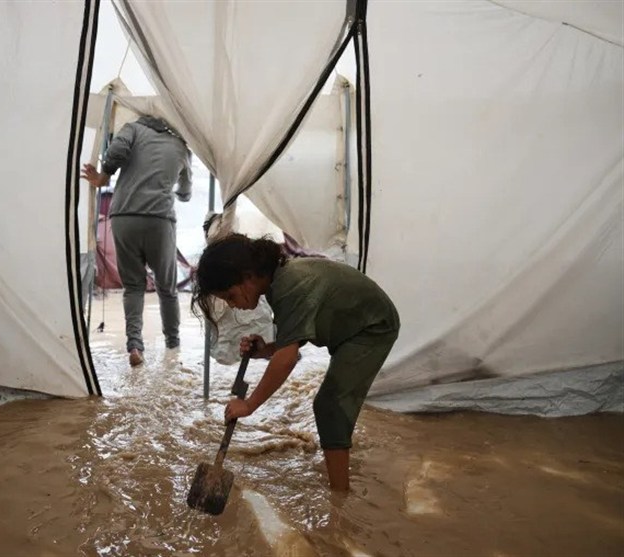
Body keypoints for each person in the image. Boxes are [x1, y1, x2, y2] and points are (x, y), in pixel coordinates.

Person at [191, 233, 400, 491]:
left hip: (372, 328)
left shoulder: (289, 286)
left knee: (330, 405)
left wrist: (249, 404)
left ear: (248, 276)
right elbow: (292, 341)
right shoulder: (279, 282)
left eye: (231, 296)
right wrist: (264, 350)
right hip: (353, 327)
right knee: (332, 405)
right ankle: (338, 469)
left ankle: (340, 497)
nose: (233, 306)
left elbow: (287, 359)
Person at [83, 115, 192, 366]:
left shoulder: (132, 129)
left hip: (124, 217)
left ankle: (134, 346)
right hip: (159, 219)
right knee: (167, 289)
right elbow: (185, 192)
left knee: (133, 287)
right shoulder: (181, 146)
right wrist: (176, 188)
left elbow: (117, 149)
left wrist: (104, 176)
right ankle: (172, 347)